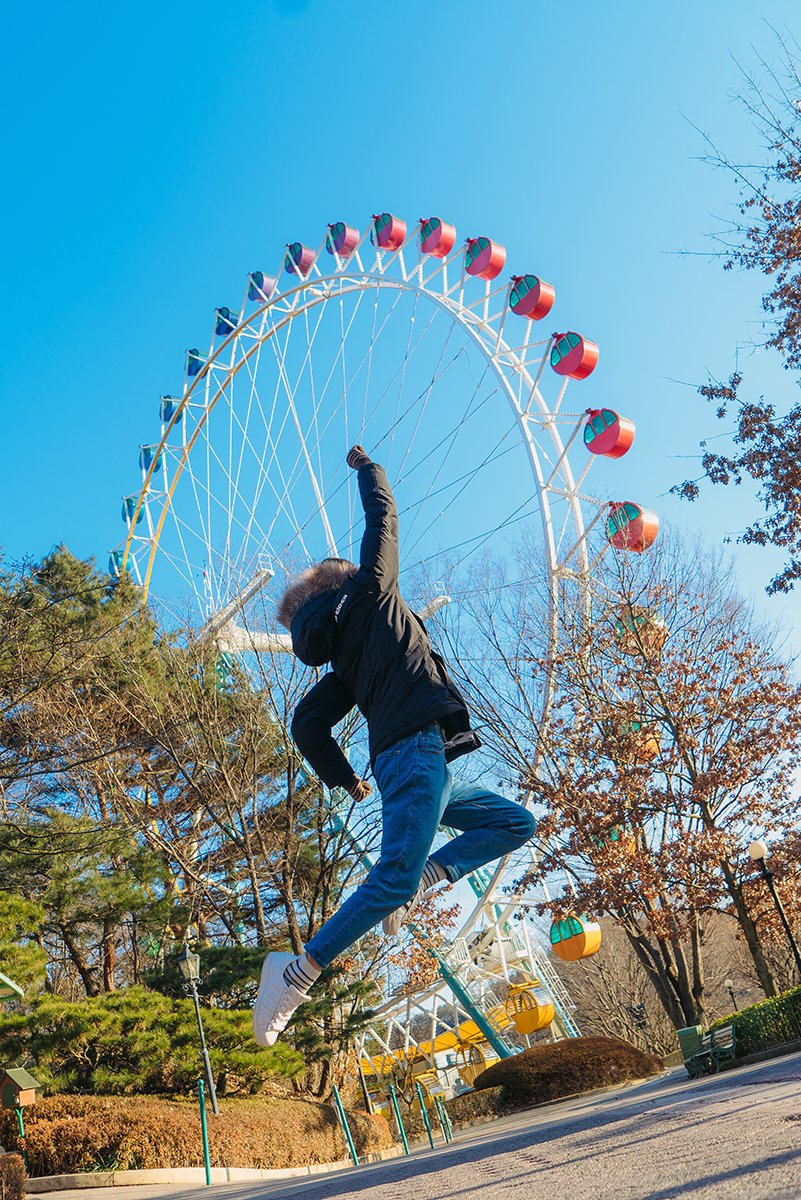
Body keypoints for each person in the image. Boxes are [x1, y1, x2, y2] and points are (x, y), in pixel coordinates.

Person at [253, 446, 536, 1047]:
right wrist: (367, 470)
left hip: (415, 762)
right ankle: (297, 970)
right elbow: (383, 520)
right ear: (342, 581)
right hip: (415, 755)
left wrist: (346, 778)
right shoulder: (373, 594)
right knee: (393, 881)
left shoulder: (343, 666)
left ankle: (433, 871)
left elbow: (307, 724)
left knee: (514, 823)